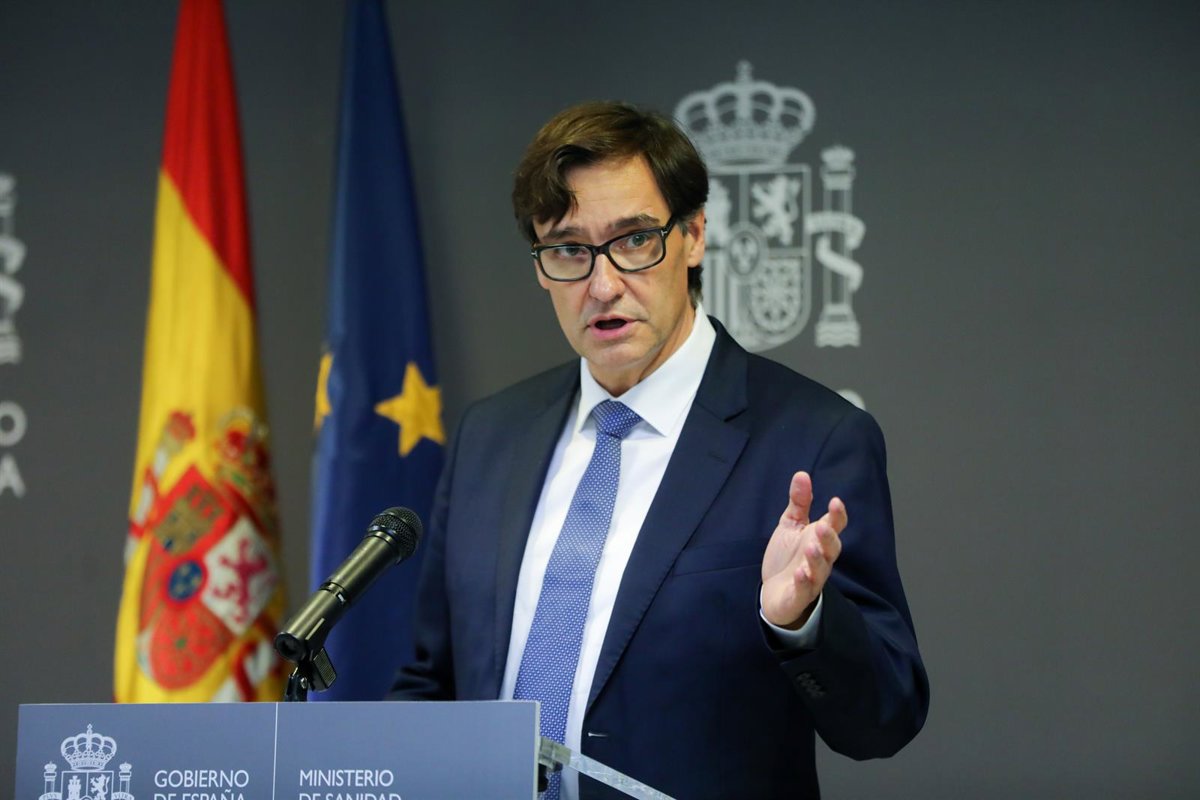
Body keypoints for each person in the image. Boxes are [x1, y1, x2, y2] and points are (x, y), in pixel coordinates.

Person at [390, 101, 929, 799]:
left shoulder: (812, 437)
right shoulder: (491, 435)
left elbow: (885, 719)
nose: (603, 284)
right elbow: (434, 682)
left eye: (635, 239)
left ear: (693, 235)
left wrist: (800, 622)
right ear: (540, 266)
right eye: (568, 249)